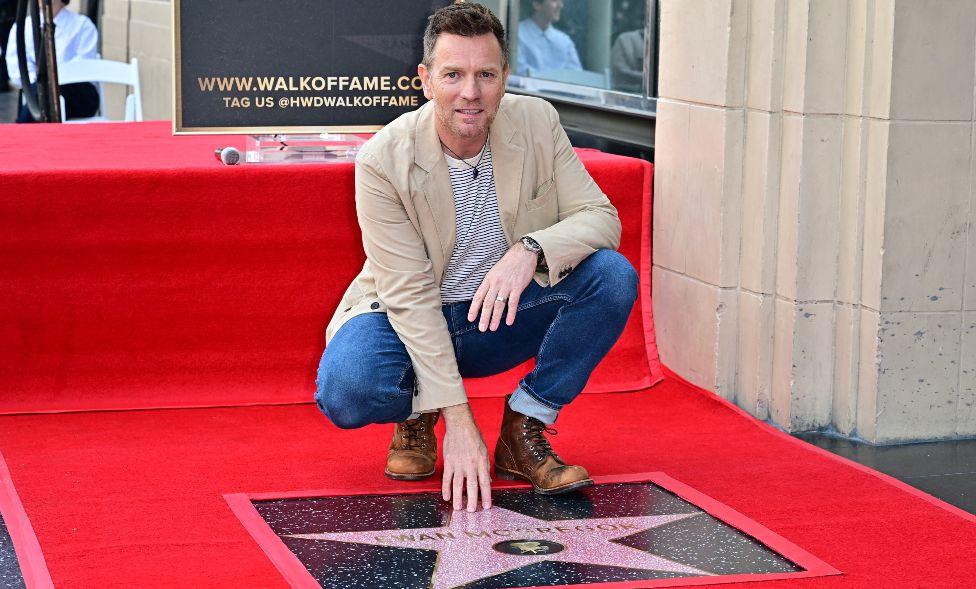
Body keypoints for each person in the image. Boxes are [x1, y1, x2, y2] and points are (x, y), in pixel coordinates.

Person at [314, 2, 637, 513]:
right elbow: (410, 296)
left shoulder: (536, 121)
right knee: (348, 388)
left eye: (486, 74)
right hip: (405, 319)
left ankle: (524, 424)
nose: (471, 92)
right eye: (453, 75)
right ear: (424, 79)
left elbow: (601, 217)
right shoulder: (383, 159)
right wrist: (460, 422)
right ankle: (421, 411)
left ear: (505, 77)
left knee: (612, 277)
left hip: (498, 313)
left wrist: (530, 250)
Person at [5, 0, 98, 122]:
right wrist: (39, 82)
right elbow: (17, 67)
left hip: (78, 93)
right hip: (37, 92)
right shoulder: (24, 27)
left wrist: (51, 81)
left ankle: (20, 131)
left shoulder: (82, 25)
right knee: (42, 95)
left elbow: (83, 67)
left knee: (43, 96)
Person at [516, 0, 581, 75]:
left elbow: (576, 76)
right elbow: (519, 72)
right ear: (536, 4)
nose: (560, 5)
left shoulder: (565, 41)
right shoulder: (516, 34)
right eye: (554, 0)